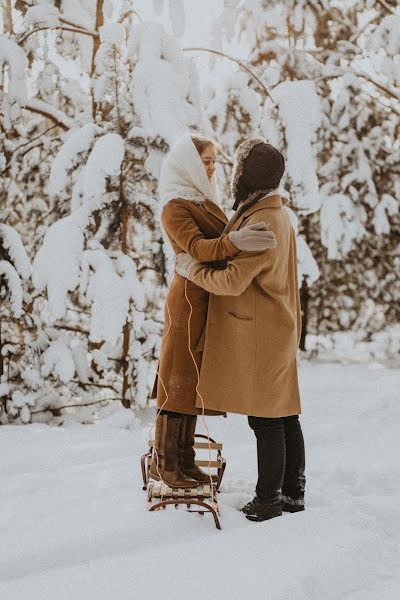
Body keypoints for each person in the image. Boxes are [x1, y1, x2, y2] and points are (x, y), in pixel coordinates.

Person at [175, 138, 306, 520]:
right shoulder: (273, 213)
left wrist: (191, 268)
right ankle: (293, 492)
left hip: (261, 332)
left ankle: (268, 501)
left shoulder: (262, 219)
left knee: (265, 419)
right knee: (284, 414)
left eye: (238, 170)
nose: (232, 176)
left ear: (249, 176)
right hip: (276, 325)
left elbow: (232, 281)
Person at [149, 133, 277, 489]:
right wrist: (233, 242)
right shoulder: (175, 205)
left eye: (213, 163)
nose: (210, 169)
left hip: (208, 297)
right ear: (187, 164)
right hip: (190, 297)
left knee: (192, 381)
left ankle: (185, 460)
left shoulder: (203, 200)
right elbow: (196, 248)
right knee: (176, 377)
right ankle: (165, 463)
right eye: (204, 162)